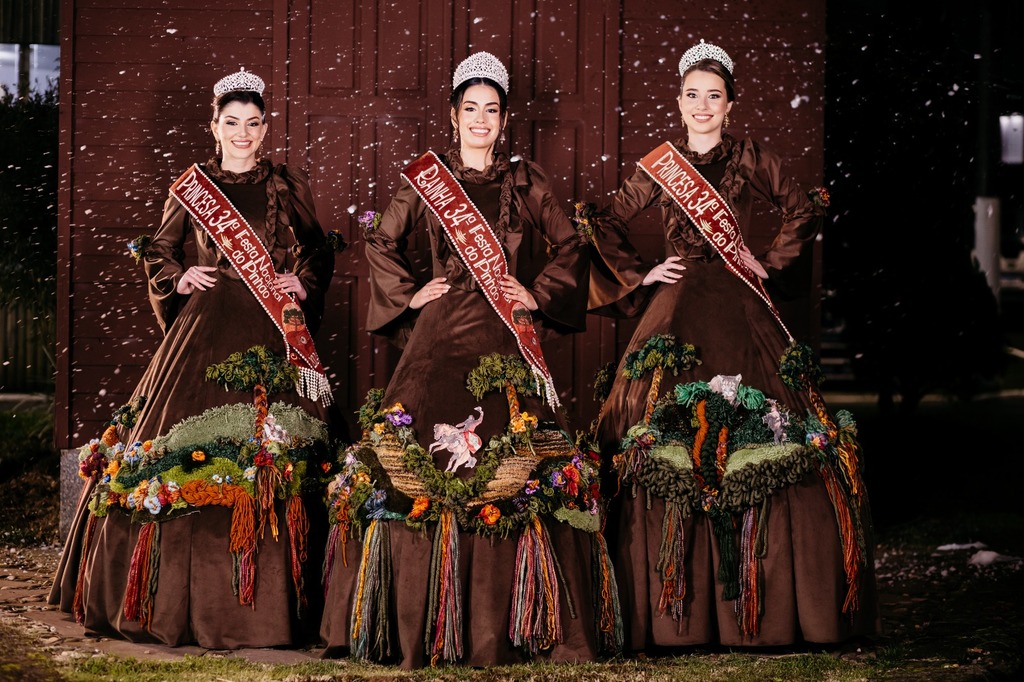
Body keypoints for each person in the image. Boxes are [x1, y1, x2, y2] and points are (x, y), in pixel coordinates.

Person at [319, 51, 621, 669]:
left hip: (504, 336)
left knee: (522, 460)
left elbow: (571, 242)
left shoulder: (524, 179)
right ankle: (413, 618)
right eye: (470, 109)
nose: (481, 120)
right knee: (413, 462)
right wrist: (409, 295)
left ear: (503, 120)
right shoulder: (424, 181)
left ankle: (513, 620)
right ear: (453, 116)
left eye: (492, 110)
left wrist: (535, 293)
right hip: (438, 336)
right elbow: (379, 237)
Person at [588, 40, 879, 651]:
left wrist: (768, 262)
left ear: (729, 106)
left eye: (712, 97)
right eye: (692, 96)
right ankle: (673, 607)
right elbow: (604, 218)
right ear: (679, 102)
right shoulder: (659, 167)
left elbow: (802, 208)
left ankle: (764, 599)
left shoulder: (752, 157)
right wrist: (641, 273)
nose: (701, 106)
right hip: (678, 309)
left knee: (772, 434)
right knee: (656, 436)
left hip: (744, 310)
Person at [48, 67, 343, 649]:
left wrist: (302, 283)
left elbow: (318, 248)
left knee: (286, 451)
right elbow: (158, 247)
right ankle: (181, 599)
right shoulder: (192, 186)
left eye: (253, 123)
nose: (243, 133)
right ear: (214, 126)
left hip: (270, 321)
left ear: (264, 128)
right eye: (231, 122)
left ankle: (283, 606)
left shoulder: (288, 183)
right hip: (206, 324)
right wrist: (179, 277)